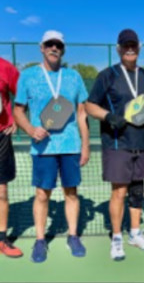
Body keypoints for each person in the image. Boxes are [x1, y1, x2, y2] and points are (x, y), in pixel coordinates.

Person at [14, 30, 89, 263]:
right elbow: (18, 110)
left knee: (71, 193)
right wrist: (30, 129)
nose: (54, 48)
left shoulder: (74, 77)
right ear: (42, 47)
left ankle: (73, 236)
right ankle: (39, 240)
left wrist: (85, 145)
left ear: (63, 49)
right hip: (42, 147)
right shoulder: (27, 76)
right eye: (49, 44)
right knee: (42, 194)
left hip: (70, 146)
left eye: (58, 45)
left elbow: (81, 112)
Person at [86, 29, 144, 261]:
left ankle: (135, 233)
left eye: (133, 45)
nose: (129, 49)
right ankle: (117, 238)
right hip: (117, 143)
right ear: (118, 48)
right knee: (119, 192)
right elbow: (90, 106)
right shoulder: (107, 75)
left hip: (142, 143)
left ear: (139, 48)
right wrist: (108, 116)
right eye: (125, 45)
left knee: (138, 191)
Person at [0, 58, 23, 258]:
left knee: (1, 191)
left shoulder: (6, 67)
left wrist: (16, 117)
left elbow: (23, 95)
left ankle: (1, 239)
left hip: (1, 135)